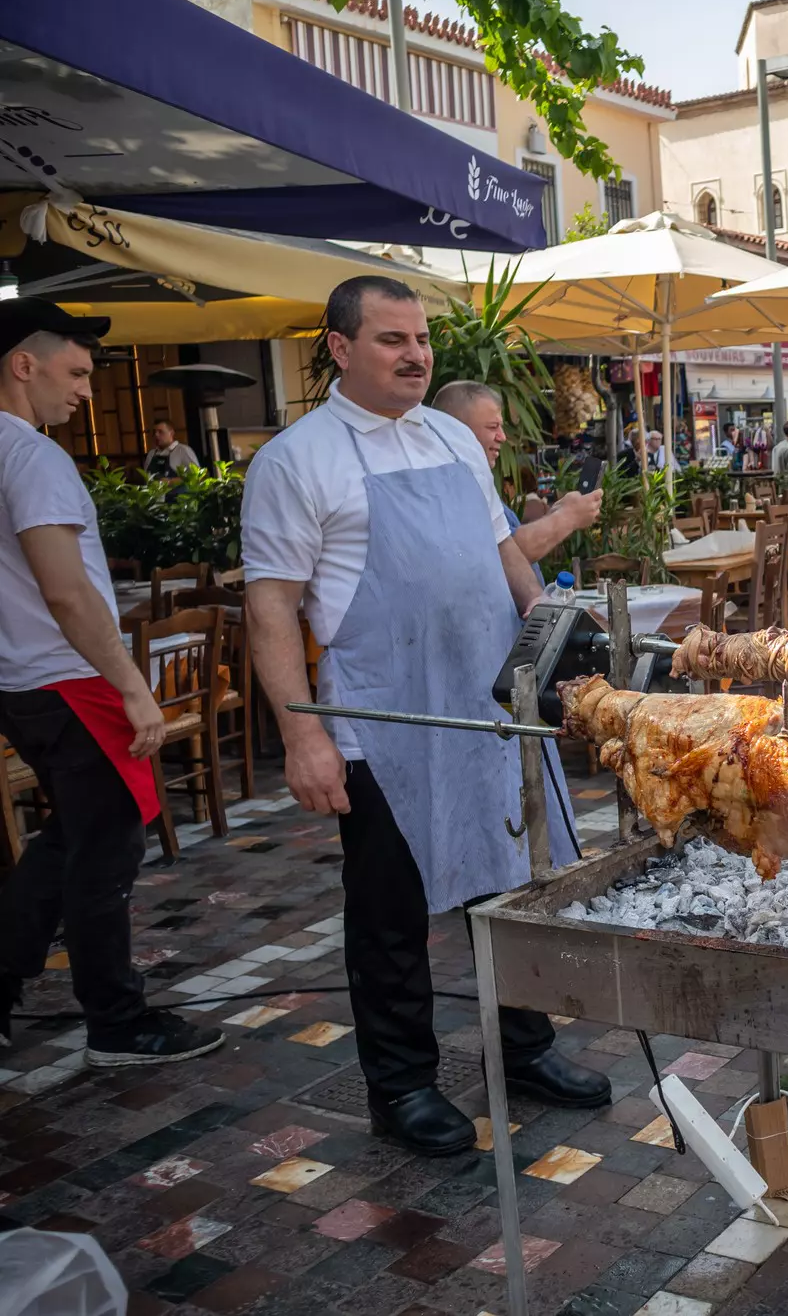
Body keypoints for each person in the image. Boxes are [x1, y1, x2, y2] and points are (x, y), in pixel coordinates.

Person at [242, 277, 606, 1156]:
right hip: (382, 722)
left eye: (422, 339)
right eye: (391, 339)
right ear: (340, 347)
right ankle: (401, 1084)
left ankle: (525, 1046)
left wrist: (544, 626)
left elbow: (500, 548)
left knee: (511, 885)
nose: (415, 356)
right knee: (389, 912)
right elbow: (270, 606)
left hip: (484, 708)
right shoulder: (296, 460)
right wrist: (302, 734)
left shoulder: (449, 435)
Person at [0, 300, 222, 1064]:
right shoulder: (32, 456)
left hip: (22, 682)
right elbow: (67, 591)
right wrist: (131, 684)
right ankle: (118, 1021)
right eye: (75, 372)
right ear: (22, 364)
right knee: (107, 849)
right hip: (72, 678)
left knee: (71, 838)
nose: (85, 393)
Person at [431, 381, 603, 570]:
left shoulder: (476, 484)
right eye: (492, 427)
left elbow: (508, 538)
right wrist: (569, 516)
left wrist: (558, 511)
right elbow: (508, 555)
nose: (503, 437)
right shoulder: (450, 490)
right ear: (457, 430)